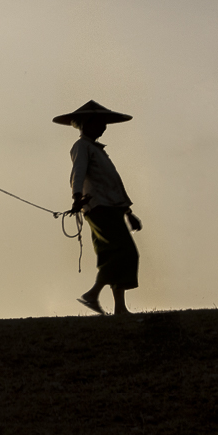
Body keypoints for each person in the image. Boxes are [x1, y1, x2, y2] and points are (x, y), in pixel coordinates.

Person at [54, 100, 143, 316]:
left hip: (111, 207)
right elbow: (78, 173)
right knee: (125, 253)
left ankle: (119, 307)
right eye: (100, 123)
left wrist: (128, 212)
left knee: (112, 253)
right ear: (87, 124)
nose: (104, 128)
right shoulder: (82, 147)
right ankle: (93, 294)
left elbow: (112, 185)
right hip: (98, 207)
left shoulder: (97, 150)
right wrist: (76, 197)